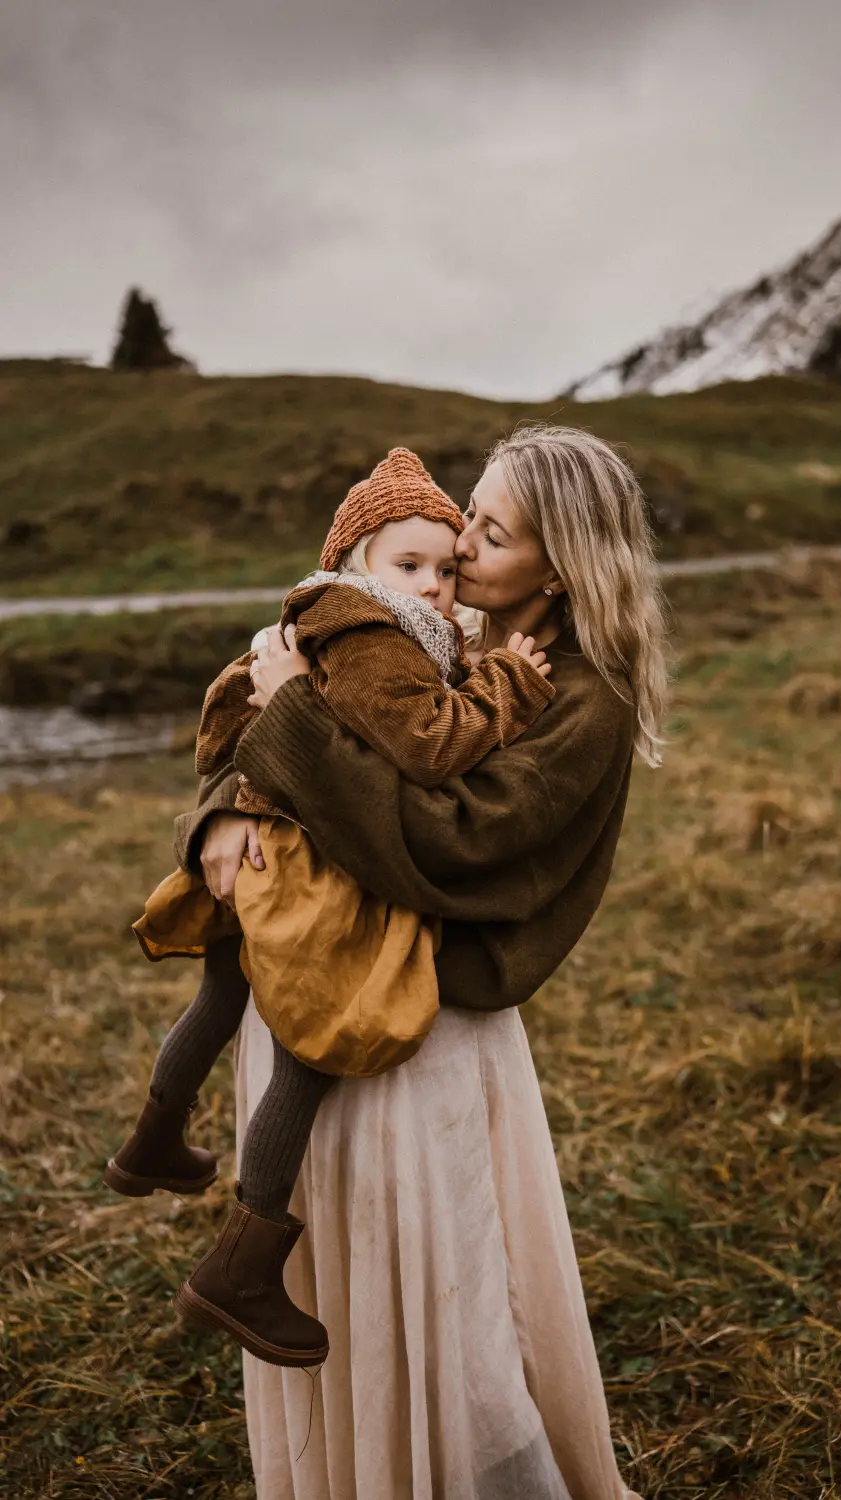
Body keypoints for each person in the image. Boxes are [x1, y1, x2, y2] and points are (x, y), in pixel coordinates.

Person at [173, 426, 667, 1500]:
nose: (458, 542)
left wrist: (289, 712)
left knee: (449, 1305)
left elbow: (445, 842)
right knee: (342, 1289)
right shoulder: (428, 626)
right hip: (315, 985)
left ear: (565, 560)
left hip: (422, 1026)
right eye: (463, 518)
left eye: (488, 530)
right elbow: (261, 705)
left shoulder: (580, 698)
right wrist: (214, 816)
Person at [104, 449, 554, 1368]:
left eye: (443, 565)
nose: (436, 585)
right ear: (354, 561)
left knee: (221, 999)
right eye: (409, 567)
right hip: (311, 863)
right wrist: (508, 681)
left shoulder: (328, 620)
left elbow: (234, 714)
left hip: (274, 845)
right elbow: (427, 747)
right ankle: (245, 1258)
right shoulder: (369, 633)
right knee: (315, 1043)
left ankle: (153, 1140)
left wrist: (231, 798)